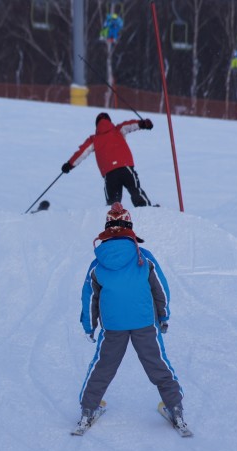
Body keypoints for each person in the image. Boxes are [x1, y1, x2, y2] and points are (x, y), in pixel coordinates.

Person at [75, 202, 187, 432]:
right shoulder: (143, 257)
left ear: (107, 228)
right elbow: (160, 289)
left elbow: (89, 298)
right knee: (157, 364)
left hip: (113, 325)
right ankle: (174, 406)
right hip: (144, 322)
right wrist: (163, 315)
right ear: (129, 227)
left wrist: (89, 326)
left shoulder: (98, 264)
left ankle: (89, 408)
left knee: (103, 366)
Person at [61, 112, 154, 207]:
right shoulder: (118, 130)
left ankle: (114, 218)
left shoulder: (94, 139)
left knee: (112, 202)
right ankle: (146, 209)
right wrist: (143, 124)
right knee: (135, 190)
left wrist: (69, 165)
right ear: (109, 121)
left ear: (97, 125)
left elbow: (82, 153)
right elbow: (130, 125)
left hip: (110, 174)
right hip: (125, 167)